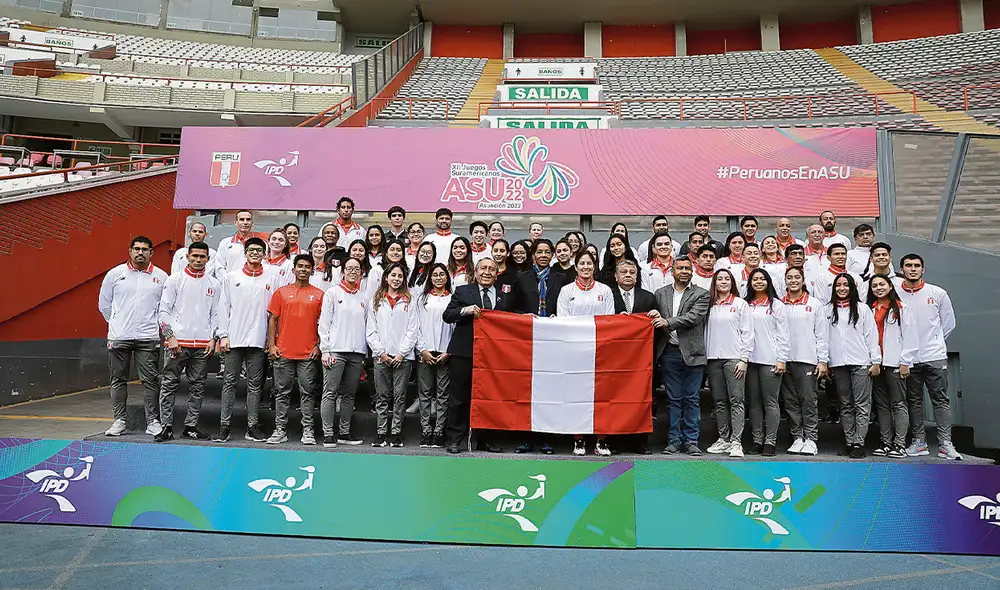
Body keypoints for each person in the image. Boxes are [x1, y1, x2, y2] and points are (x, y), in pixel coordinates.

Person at [99, 236, 169, 437]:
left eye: (145, 249)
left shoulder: (161, 277)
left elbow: (165, 307)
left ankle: (152, 421)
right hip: (119, 337)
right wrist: (116, 323)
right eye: (136, 248)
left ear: (151, 253)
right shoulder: (115, 274)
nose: (140, 252)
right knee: (117, 380)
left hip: (148, 337)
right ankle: (119, 420)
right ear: (129, 251)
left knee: (150, 381)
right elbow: (104, 304)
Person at [443, 258, 512, 454]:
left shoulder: (503, 296)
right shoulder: (463, 291)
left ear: (497, 273)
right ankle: (456, 439)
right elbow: (447, 315)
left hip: (492, 356)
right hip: (464, 353)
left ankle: (486, 440)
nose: (487, 272)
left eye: (492, 269)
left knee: (489, 397)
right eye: (483, 268)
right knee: (459, 397)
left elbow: (511, 321)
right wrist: (465, 310)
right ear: (476, 271)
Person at [154, 241, 221, 442]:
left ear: (208, 259)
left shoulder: (214, 284)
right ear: (187, 257)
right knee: (169, 384)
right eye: (195, 256)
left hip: (202, 345)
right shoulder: (174, 280)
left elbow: (216, 314)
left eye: (202, 256)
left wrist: (213, 338)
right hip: (177, 343)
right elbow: (163, 311)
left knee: (198, 386)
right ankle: (166, 426)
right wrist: (170, 336)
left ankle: (191, 426)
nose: (198, 260)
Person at [896, 253, 960, 460]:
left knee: (940, 400)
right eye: (908, 265)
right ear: (901, 269)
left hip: (934, 356)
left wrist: (935, 342)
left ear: (923, 269)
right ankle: (919, 441)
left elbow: (948, 323)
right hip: (908, 359)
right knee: (914, 401)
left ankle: (945, 443)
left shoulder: (938, 292)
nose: (913, 269)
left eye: (916, 266)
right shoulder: (895, 292)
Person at [214, 237, 275, 443]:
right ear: (245, 253)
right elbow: (223, 307)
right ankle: (224, 426)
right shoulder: (232, 277)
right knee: (229, 383)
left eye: (259, 250)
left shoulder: (270, 277)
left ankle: (252, 426)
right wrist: (223, 335)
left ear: (264, 254)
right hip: (234, 339)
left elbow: (272, 312)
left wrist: (270, 338)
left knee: (255, 385)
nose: (255, 253)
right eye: (251, 250)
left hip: (258, 340)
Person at [557, 250, 616, 456]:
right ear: (576, 266)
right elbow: (563, 321)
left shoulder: (605, 290)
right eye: (581, 263)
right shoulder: (566, 290)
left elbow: (610, 320)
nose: (585, 267)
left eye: (589, 263)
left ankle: (601, 440)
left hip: (600, 350)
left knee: (602, 395)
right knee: (576, 396)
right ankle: (579, 439)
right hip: (574, 351)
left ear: (594, 266)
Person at [649, 258, 710, 456]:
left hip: (693, 353)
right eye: (680, 268)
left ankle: (692, 441)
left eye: (687, 268)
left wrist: (667, 321)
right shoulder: (660, 293)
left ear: (692, 272)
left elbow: (694, 317)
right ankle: (673, 441)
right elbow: (655, 317)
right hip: (669, 352)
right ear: (672, 271)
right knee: (673, 399)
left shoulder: (702, 293)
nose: (684, 271)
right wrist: (652, 314)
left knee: (692, 399)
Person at [265, 255, 325, 445]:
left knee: (307, 393)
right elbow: (273, 319)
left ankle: (308, 430)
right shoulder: (281, 292)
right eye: (300, 266)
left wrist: (318, 345)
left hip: (308, 353)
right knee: (282, 393)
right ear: (294, 269)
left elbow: (324, 323)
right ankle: (280, 429)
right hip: (283, 351)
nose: (303, 269)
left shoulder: (319, 294)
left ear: (312, 271)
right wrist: (272, 345)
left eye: (307, 267)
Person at [827, 273, 881, 459]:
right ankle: (849, 441)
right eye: (838, 285)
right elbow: (822, 338)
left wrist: (876, 361)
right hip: (838, 363)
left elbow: (871, 336)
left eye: (846, 285)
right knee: (846, 404)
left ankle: (859, 442)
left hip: (861, 363)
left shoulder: (862, 309)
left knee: (862, 404)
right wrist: (825, 360)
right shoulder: (827, 310)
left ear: (852, 288)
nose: (842, 288)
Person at [317, 257, 368, 448]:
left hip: (356, 353)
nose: (353, 271)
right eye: (349, 268)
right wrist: (325, 349)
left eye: (357, 269)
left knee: (349, 395)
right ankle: (328, 433)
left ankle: (344, 433)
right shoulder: (332, 293)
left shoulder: (363, 298)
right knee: (330, 392)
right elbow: (324, 323)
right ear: (343, 271)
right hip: (335, 352)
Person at [367, 262, 418, 448]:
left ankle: (396, 433)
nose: (396, 279)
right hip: (381, 357)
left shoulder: (409, 300)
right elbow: (370, 330)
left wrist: (401, 353)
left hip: (402, 358)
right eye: (393, 275)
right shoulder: (376, 300)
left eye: (400, 276)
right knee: (382, 396)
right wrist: (381, 352)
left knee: (399, 396)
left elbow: (413, 330)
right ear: (386, 277)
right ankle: (381, 433)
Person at [703, 269, 752, 458]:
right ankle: (723, 438)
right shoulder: (709, 304)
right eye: (719, 279)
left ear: (732, 283)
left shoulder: (740, 304)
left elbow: (748, 332)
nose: (723, 282)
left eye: (727, 279)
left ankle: (736, 442)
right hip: (713, 358)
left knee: (736, 400)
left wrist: (744, 358)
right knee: (720, 401)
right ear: (714, 283)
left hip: (734, 359)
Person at [867, 275, 918, 459]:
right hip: (876, 364)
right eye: (874, 286)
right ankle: (886, 442)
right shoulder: (869, 309)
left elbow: (910, 336)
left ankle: (900, 444)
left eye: (882, 284)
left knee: (898, 403)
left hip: (895, 362)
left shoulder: (902, 308)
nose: (878, 288)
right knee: (882, 405)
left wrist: (905, 362)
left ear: (890, 286)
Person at [612, 259, 658, 455]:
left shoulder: (648, 298)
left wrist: (655, 316)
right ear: (616, 276)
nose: (628, 275)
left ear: (637, 276)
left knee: (641, 400)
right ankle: (614, 441)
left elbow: (657, 327)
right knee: (615, 400)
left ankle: (640, 442)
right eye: (624, 272)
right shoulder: (608, 295)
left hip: (641, 361)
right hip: (614, 359)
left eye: (632, 272)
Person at [782, 266, 828, 456]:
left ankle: (811, 438)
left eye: (796, 277)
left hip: (807, 359)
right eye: (789, 277)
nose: (793, 280)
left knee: (808, 400)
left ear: (803, 281)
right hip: (784, 360)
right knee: (790, 401)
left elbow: (821, 334)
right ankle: (797, 437)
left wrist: (822, 360)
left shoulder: (814, 304)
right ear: (785, 281)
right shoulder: (778, 304)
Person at [744, 268, 790, 457]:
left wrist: (781, 359)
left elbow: (784, 334)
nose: (759, 281)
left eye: (762, 278)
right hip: (750, 359)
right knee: (754, 402)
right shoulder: (745, 304)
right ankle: (757, 440)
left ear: (769, 282)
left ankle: (770, 441)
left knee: (770, 401)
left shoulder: (776, 305)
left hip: (770, 359)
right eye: (755, 279)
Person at [415, 263, 454, 449]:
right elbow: (415, 326)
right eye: (435, 275)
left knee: (443, 394)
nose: (438, 278)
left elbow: (455, 329)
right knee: (425, 394)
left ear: (447, 277)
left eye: (441, 274)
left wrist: (449, 351)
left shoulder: (453, 299)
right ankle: (426, 430)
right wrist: (422, 349)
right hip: (425, 352)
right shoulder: (422, 299)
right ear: (430, 278)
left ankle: (438, 430)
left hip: (445, 353)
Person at [513, 238, 567, 318]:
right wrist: (524, 315)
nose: (543, 255)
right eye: (539, 252)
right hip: (529, 324)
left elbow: (565, 305)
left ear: (552, 255)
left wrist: (558, 315)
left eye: (547, 252)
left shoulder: (561, 278)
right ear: (533, 255)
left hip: (553, 324)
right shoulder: (522, 278)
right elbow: (514, 306)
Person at [217, 209, 264, 278]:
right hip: (231, 285)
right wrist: (228, 282)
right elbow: (219, 267)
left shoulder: (262, 244)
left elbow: (265, 265)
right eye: (242, 219)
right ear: (235, 223)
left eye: (248, 220)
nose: (245, 222)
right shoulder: (225, 243)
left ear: (252, 223)